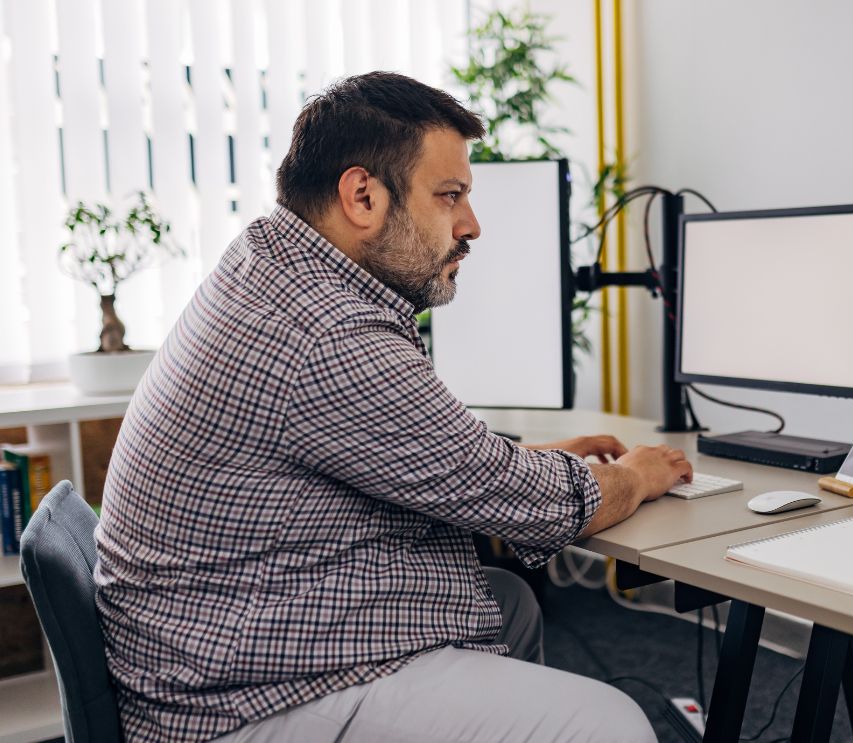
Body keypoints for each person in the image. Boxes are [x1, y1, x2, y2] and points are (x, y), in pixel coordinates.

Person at [94, 71, 692, 743]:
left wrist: (529, 459)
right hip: (236, 699)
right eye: (450, 196)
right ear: (362, 196)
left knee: (508, 604)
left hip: (216, 641)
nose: (471, 225)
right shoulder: (326, 329)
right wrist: (638, 473)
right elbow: (532, 503)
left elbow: (426, 456)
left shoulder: (274, 264)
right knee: (606, 723)